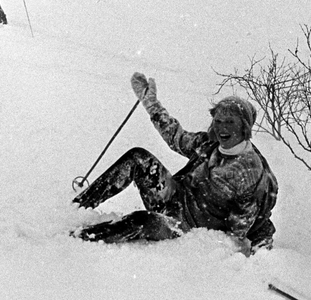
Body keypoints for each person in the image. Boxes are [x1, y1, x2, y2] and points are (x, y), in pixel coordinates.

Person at [73, 73, 279, 254]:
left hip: (186, 230)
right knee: (138, 157)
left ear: (244, 128)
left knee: (143, 221)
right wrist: (150, 102)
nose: (222, 128)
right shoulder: (209, 145)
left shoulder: (249, 171)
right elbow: (175, 136)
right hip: (173, 199)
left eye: (230, 122)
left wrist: (245, 250)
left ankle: (78, 238)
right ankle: (76, 209)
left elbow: (242, 230)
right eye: (218, 121)